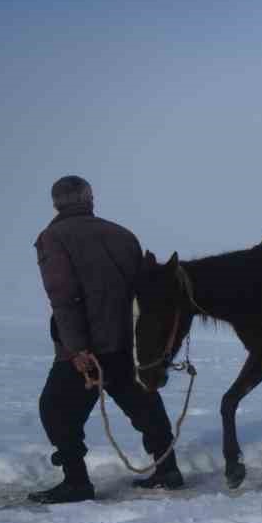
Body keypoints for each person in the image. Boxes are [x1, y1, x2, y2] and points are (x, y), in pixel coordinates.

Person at [29, 175, 182, 503]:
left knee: (55, 410)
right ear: (90, 199)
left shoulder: (53, 238)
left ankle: (77, 483)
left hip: (88, 349)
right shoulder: (123, 235)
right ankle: (168, 469)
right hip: (126, 344)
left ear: (56, 203)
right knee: (144, 405)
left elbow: (64, 296)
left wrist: (76, 349)